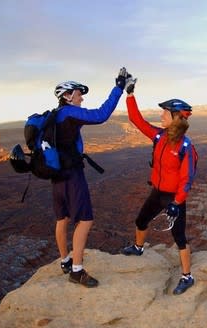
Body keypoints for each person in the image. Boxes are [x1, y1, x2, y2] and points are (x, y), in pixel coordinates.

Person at [53, 67, 131, 287]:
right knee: (85, 220)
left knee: (62, 218)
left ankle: (65, 261)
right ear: (67, 97)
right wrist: (118, 88)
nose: (82, 97)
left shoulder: (55, 115)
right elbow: (100, 115)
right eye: (78, 94)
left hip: (57, 175)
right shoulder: (69, 113)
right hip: (72, 175)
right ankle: (76, 271)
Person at [120, 76, 197, 295]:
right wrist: (130, 94)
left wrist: (177, 202)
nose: (160, 116)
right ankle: (138, 247)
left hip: (173, 197)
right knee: (141, 220)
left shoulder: (185, 146)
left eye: (165, 113)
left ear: (175, 118)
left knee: (179, 237)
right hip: (157, 192)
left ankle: (187, 276)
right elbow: (137, 120)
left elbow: (187, 178)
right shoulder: (159, 136)